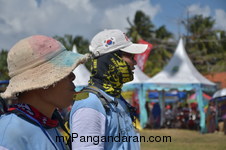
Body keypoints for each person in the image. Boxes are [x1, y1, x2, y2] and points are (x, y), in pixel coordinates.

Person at [0, 35, 89, 150]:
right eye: (64, 72)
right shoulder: (11, 134)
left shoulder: (49, 125)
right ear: (41, 83)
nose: (73, 76)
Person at [70, 29, 148, 150]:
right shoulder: (89, 103)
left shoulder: (115, 98)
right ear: (112, 60)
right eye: (131, 56)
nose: (135, 62)